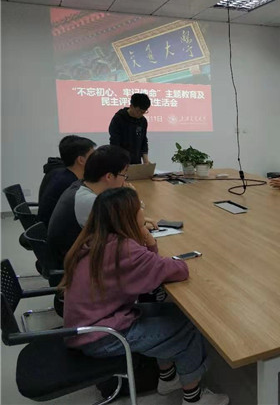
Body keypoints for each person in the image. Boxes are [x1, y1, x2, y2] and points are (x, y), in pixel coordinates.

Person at [61, 188, 229, 405]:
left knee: (169, 311)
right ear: (127, 217)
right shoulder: (124, 249)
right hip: (102, 337)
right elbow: (177, 270)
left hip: (87, 327)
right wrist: (147, 238)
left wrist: (143, 238)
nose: (143, 209)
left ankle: (168, 378)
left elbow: (150, 268)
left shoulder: (95, 240)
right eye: (138, 207)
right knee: (188, 327)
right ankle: (194, 399)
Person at [48, 145, 157, 268]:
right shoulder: (90, 201)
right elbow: (130, 234)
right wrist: (133, 200)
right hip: (76, 267)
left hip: (77, 259)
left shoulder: (82, 186)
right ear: (109, 176)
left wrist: (136, 220)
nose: (125, 181)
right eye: (124, 175)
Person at [38, 136, 96, 227]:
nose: (96, 159)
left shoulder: (59, 173)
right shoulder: (70, 185)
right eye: (93, 156)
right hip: (57, 231)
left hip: (48, 227)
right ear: (81, 160)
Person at [109, 93, 151, 165]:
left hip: (136, 161)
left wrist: (145, 160)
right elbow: (115, 142)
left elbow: (143, 140)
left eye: (143, 112)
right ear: (131, 106)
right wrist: (119, 161)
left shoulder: (142, 121)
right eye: (138, 111)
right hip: (121, 161)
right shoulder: (119, 118)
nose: (140, 114)